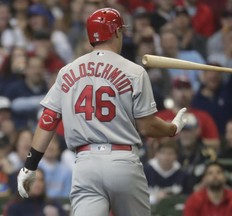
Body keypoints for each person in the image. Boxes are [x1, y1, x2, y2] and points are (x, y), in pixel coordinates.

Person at [17, 8, 187, 216]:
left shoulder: (67, 71)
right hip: (122, 159)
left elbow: (48, 119)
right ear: (116, 32)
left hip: (85, 163)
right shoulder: (133, 71)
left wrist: (29, 166)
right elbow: (147, 125)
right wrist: (172, 128)